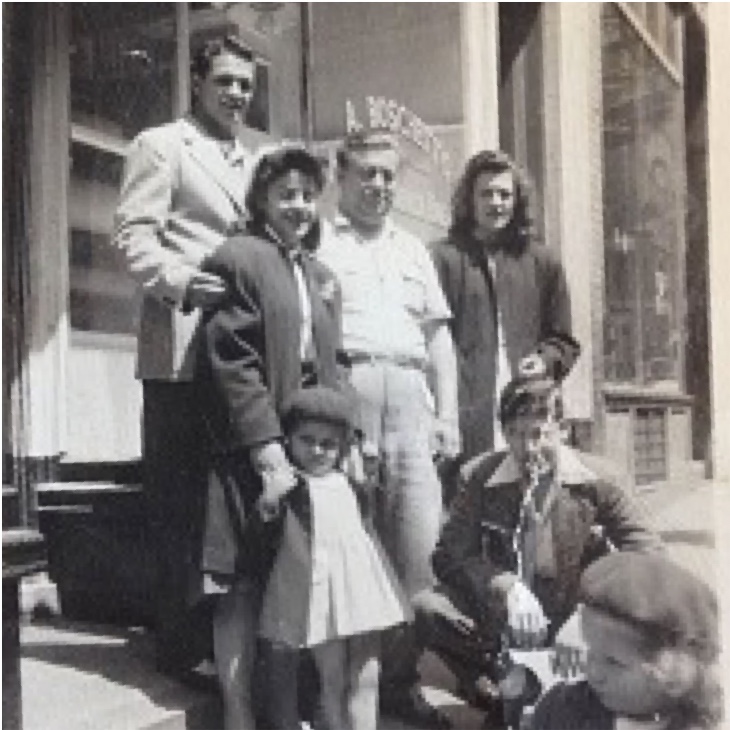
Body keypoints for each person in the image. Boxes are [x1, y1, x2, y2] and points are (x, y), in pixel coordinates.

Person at [112, 34, 258, 675]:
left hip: (239, 351)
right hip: (179, 350)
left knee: (227, 501)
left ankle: (221, 639)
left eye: (246, 85)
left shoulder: (254, 160)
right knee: (178, 502)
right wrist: (177, 280)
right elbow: (133, 236)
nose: (236, 94)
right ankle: (177, 643)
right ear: (197, 83)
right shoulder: (162, 145)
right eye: (224, 81)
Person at [413, 373, 664, 728]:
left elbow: (649, 556)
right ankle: (498, 687)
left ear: (562, 429)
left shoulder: (600, 481)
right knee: (427, 607)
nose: (527, 449)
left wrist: (589, 618)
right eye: (515, 435)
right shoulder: (480, 476)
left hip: (576, 619)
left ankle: (589, 693)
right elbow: (449, 556)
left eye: (538, 434)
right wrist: (505, 586)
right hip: (506, 621)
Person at [195, 145, 343, 730]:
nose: (299, 206)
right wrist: (265, 449)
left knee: (297, 584)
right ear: (261, 199)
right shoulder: (238, 258)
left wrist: (340, 442)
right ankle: (238, 713)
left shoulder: (319, 273)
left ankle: (289, 714)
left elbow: (336, 364)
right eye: (286, 194)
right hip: (250, 454)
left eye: (308, 195)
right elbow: (233, 363)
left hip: (309, 454)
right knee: (242, 587)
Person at [317, 130, 460, 728]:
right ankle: (343, 690)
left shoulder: (413, 250)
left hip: (409, 401)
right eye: (367, 174)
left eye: (387, 176)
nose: (378, 186)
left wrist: (446, 416)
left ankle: (398, 684)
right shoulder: (319, 241)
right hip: (348, 395)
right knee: (350, 549)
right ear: (341, 177)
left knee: (416, 550)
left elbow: (438, 342)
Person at [257, 386, 412, 730]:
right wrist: (270, 500)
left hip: (360, 591)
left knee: (367, 676)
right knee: (334, 680)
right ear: (289, 441)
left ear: (342, 446)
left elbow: (365, 529)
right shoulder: (292, 486)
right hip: (320, 594)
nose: (316, 451)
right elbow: (267, 539)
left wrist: (368, 478)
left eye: (328, 444)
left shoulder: (349, 482)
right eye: (306, 440)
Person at [430, 150, 580, 470]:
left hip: (528, 409)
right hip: (466, 410)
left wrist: (543, 359)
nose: (496, 203)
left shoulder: (543, 262)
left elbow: (563, 340)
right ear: (469, 200)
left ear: (518, 200)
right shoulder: (442, 259)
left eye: (504, 194)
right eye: (486, 193)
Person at [532, 551, 723, 730]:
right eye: (591, 651)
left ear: (672, 672)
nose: (593, 672)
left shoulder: (695, 723)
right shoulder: (563, 710)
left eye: (613, 662)